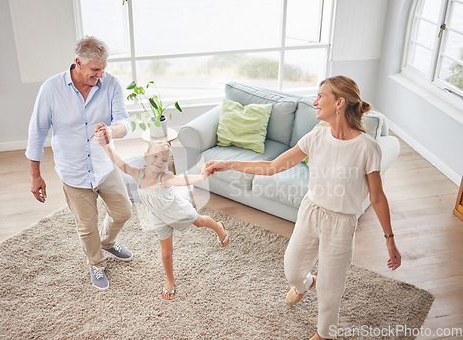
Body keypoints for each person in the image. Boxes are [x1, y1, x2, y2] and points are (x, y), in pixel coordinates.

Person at [204, 76, 401, 340]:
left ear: (339, 102)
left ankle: (323, 334)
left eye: (321, 96)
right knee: (293, 270)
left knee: (331, 291)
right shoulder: (316, 136)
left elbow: (377, 197)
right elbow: (272, 167)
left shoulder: (367, 148)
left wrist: (389, 240)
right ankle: (306, 283)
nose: (315, 102)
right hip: (310, 213)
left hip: (341, 224)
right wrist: (228, 164)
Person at [26, 36, 134, 291]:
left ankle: (108, 242)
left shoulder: (111, 84)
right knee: (87, 227)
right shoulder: (51, 89)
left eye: (103, 69)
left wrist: (111, 131)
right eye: (95, 70)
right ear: (78, 63)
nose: (100, 75)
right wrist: (35, 176)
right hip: (73, 170)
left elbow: (124, 121)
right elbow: (37, 132)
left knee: (123, 211)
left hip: (104, 165)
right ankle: (95, 263)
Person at [94, 128, 230, 300]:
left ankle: (218, 228)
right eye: (155, 156)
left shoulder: (164, 178)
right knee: (166, 252)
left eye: (164, 159)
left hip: (176, 210)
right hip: (158, 216)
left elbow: (184, 180)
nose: (159, 161)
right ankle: (170, 279)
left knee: (200, 222)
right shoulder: (137, 174)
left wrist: (203, 176)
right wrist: (105, 145)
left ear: (167, 164)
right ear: (146, 157)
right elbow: (119, 162)